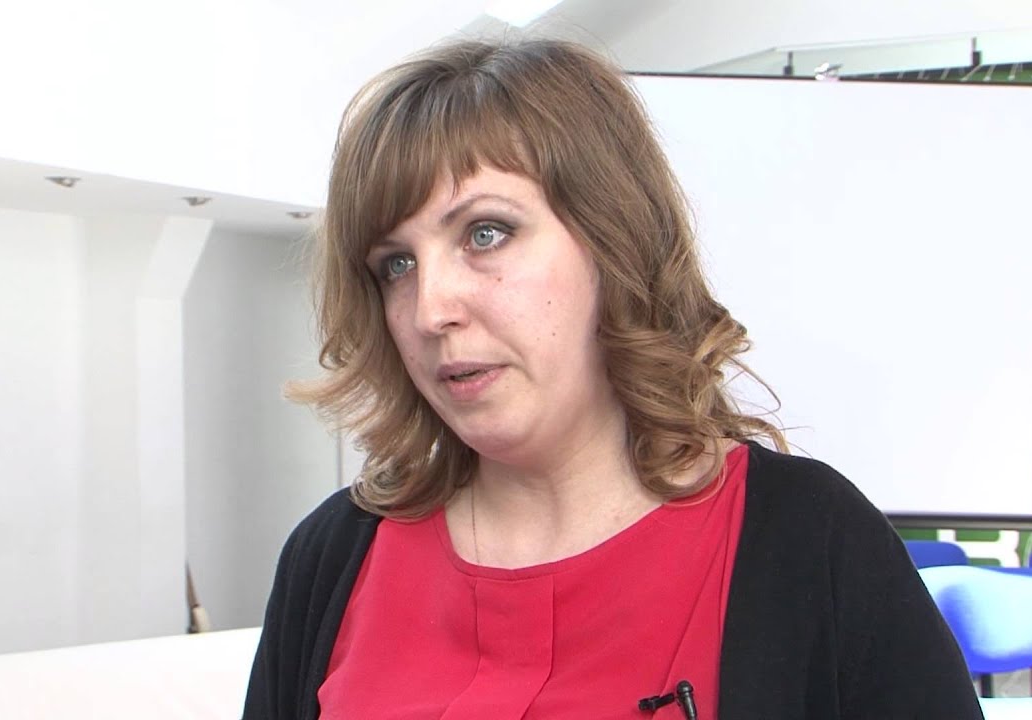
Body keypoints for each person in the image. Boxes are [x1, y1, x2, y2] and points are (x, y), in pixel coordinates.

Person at [243, 38, 981, 720]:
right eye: (395, 265)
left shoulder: (810, 540)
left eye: (486, 233)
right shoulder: (334, 554)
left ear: (612, 239)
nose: (430, 309)